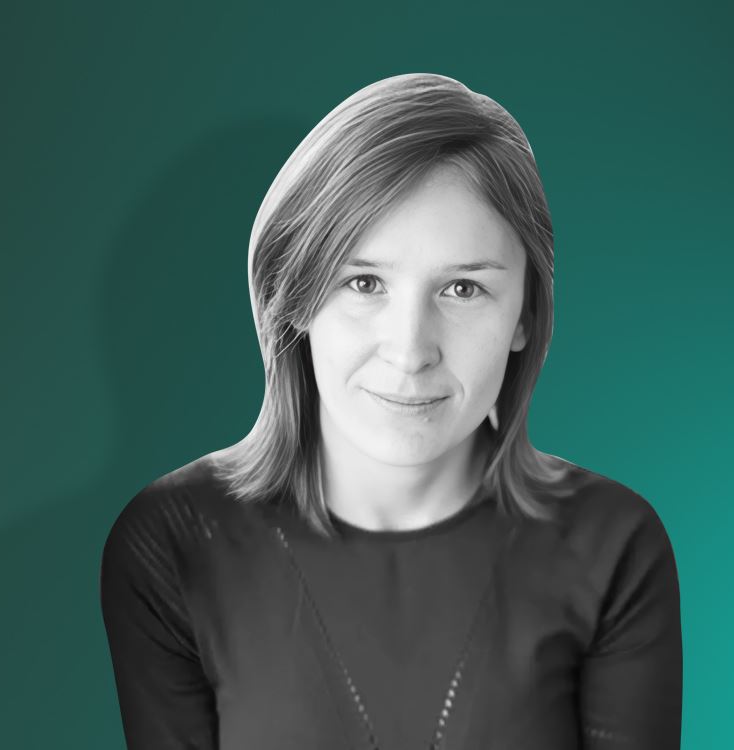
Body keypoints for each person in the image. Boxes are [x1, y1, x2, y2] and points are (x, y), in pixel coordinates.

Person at [100, 73, 682, 750]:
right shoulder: (173, 541)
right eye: (364, 282)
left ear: (525, 315)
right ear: (295, 299)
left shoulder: (615, 544)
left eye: (463, 289)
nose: (410, 352)